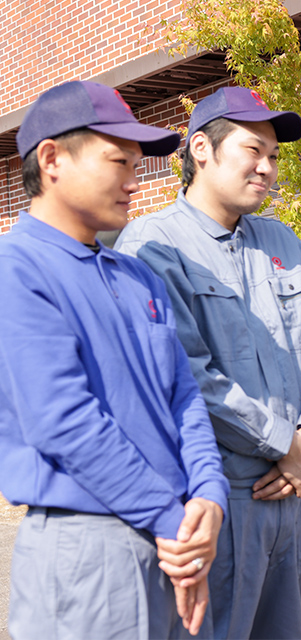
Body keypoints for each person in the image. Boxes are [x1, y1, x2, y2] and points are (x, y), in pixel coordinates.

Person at [116, 86, 301, 639]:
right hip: (215, 501)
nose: (268, 167)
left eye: (274, 156)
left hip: (292, 501)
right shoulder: (152, 245)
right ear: (202, 148)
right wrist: (284, 444)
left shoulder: (281, 241)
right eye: (254, 150)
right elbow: (186, 376)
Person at [0, 80, 229, 639]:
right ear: (52, 159)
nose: (134, 180)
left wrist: (210, 496)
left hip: (173, 540)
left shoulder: (136, 274)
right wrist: (175, 522)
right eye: (118, 161)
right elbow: (65, 422)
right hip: (89, 546)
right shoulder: (18, 271)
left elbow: (183, 398)